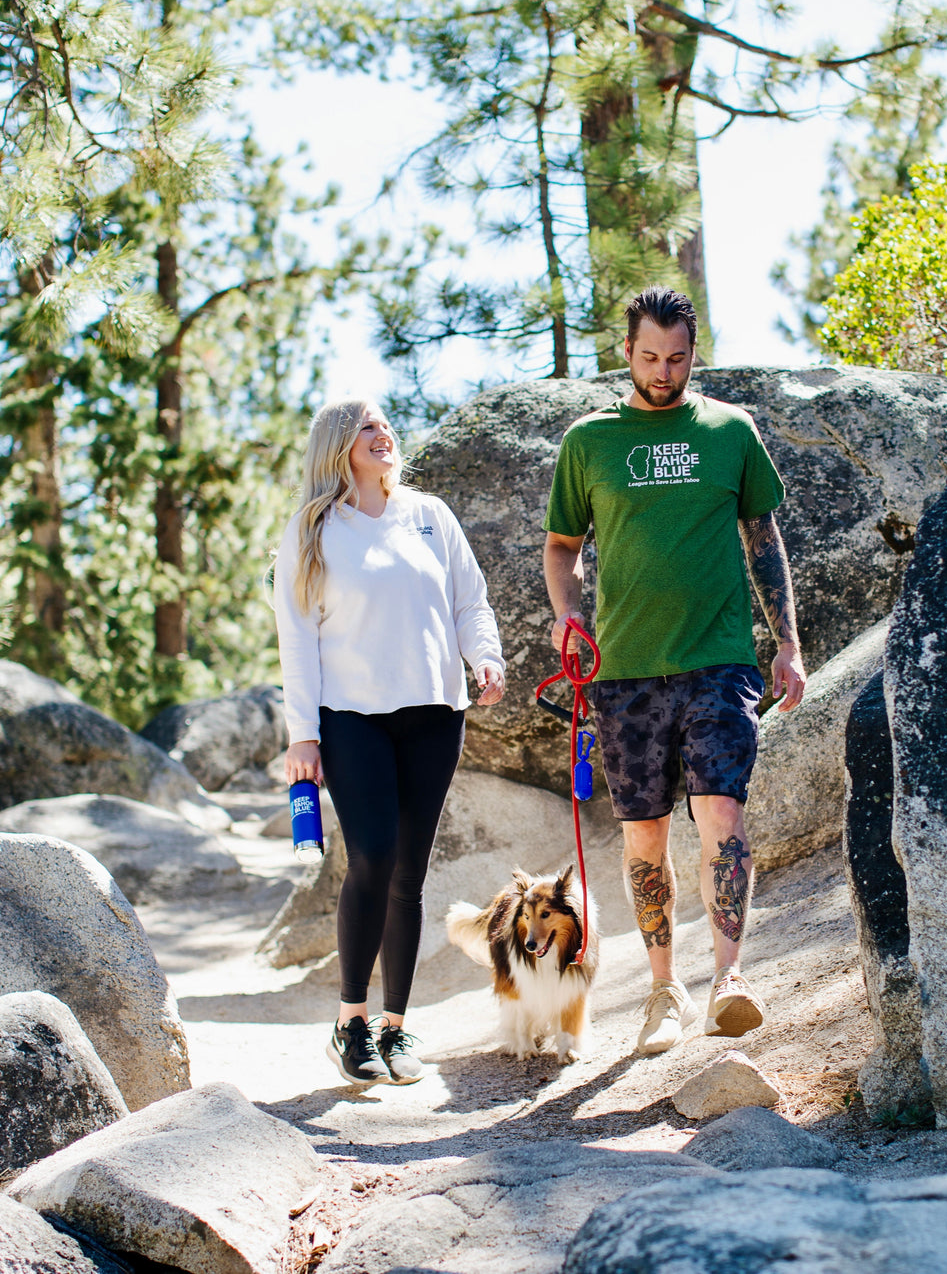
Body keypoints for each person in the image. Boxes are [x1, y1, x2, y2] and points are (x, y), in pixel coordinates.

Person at [543, 286, 805, 1056]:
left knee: (720, 813)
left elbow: (763, 536)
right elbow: (562, 546)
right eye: (650, 357)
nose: (664, 372)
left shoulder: (731, 431)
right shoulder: (589, 442)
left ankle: (729, 979)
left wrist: (786, 644)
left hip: (719, 661)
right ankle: (664, 990)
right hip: (621, 673)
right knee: (644, 837)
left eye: (678, 358)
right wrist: (569, 612)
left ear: (696, 351)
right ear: (626, 352)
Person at [274, 398, 505, 1087]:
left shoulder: (430, 516)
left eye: (385, 426)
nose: (383, 435)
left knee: (410, 871)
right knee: (372, 855)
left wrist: (483, 655)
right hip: (352, 717)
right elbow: (297, 636)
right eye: (366, 428)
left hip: (435, 712)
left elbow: (471, 600)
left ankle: (395, 1029)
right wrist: (303, 737)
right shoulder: (313, 528)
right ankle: (350, 1022)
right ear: (338, 447)